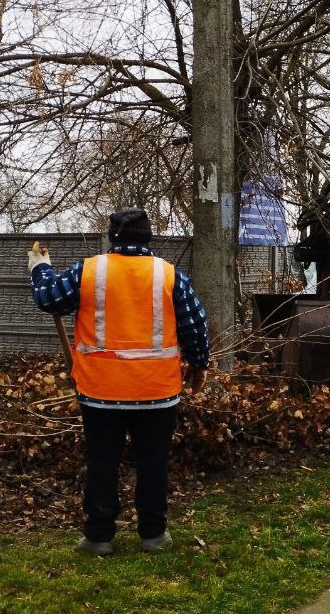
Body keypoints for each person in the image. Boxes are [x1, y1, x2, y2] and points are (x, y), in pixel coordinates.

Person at [28, 208, 210, 557]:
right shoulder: (168, 275)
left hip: (100, 391)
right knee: (153, 462)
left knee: (102, 462)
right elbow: (195, 325)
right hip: (156, 392)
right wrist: (199, 365)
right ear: (148, 239)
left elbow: (47, 298)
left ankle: (98, 537)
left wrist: (39, 268)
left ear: (113, 238)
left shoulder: (90, 271)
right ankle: (153, 535)